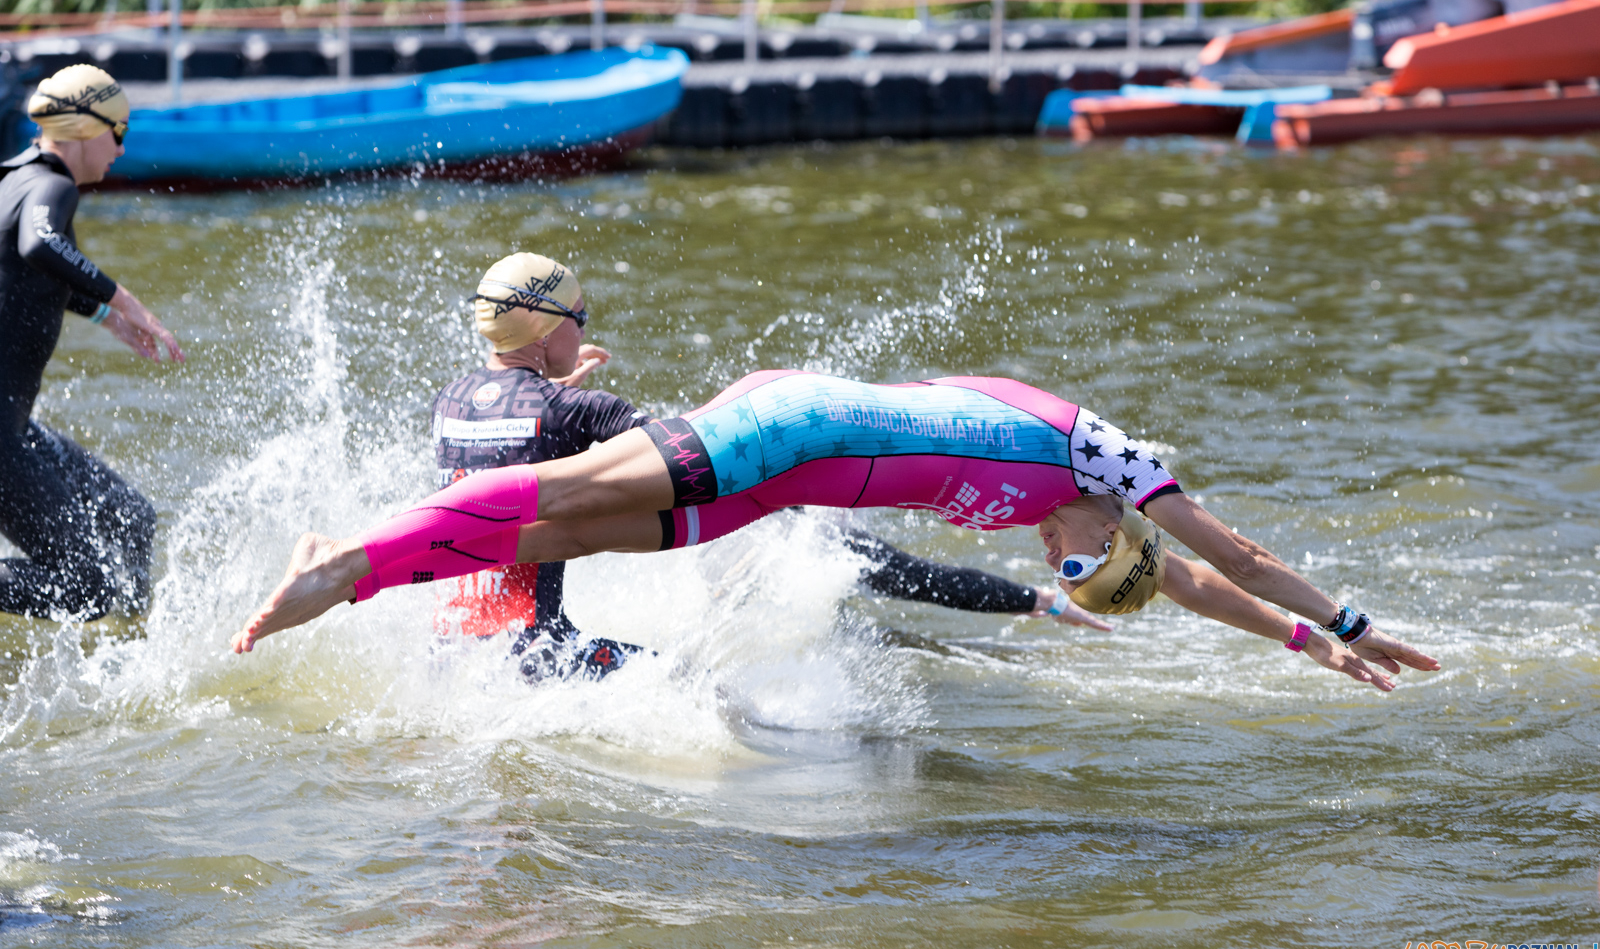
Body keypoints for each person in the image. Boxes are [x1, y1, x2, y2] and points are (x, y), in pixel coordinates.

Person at [234, 366, 1441, 692]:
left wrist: (1299, 650)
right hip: (794, 428)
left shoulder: (1088, 525)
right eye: (1077, 559)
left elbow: (1190, 587)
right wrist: (1346, 614)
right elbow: (1234, 553)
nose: (1051, 561)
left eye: (1062, 574)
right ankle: (352, 557)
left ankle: (371, 576)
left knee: (581, 542)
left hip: (790, 481)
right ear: (1112, 520)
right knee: (568, 494)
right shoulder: (1099, 454)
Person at [432, 253, 1109, 681]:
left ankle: (1042, 603)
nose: (585, 325)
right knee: (698, 693)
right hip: (533, 655)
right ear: (548, 329)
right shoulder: (579, 410)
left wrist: (564, 392)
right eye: (578, 315)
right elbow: (684, 463)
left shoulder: (452, 401)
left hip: (451, 656)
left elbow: (515, 443)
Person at [0, 65, 184, 620]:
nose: (122, 150)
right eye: (119, 132)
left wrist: (101, 312)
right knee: (86, 583)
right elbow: (40, 243)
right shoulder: (52, 186)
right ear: (86, 125)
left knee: (130, 517)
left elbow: (19, 273)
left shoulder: (14, 178)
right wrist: (125, 299)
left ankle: (127, 665)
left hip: (14, 425)